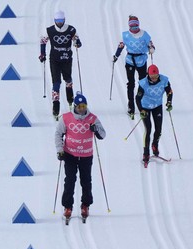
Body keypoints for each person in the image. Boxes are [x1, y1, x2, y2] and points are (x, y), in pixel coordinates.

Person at [55, 93, 107, 223]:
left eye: (84, 106)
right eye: (79, 107)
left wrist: (95, 129)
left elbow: (103, 134)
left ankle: (85, 205)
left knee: (86, 181)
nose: (82, 109)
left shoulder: (92, 118)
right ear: (75, 106)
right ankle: (67, 206)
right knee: (70, 180)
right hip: (70, 154)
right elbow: (58, 134)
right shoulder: (66, 118)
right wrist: (60, 150)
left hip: (86, 155)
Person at [39, 10, 82, 120]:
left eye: (61, 20)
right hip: (54, 59)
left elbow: (76, 40)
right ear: (54, 20)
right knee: (56, 82)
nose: (59, 23)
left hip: (67, 58)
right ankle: (56, 106)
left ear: (64, 20)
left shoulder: (71, 29)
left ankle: (70, 100)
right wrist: (42, 54)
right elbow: (43, 41)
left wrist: (77, 43)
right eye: (57, 20)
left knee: (68, 80)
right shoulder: (50, 30)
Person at [113, 16, 155, 119]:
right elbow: (121, 46)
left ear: (138, 24)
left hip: (141, 60)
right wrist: (116, 56)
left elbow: (151, 44)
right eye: (132, 26)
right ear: (129, 26)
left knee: (142, 82)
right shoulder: (125, 35)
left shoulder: (145, 34)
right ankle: (131, 106)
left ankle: (142, 104)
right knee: (130, 83)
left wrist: (151, 49)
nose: (134, 28)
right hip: (130, 60)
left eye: (136, 25)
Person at [135, 64, 173, 165]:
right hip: (146, 107)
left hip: (157, 106)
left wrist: (169, 102)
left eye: (156, 77)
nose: (154, 79)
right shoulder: (143, 83)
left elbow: (169, 91)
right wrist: (141, 110)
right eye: (152, 77)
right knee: (148, 129)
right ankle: (146, 153)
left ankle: (155, 145)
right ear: (148, 75)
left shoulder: (164, 80)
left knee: (158, 128)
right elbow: (137, 98)